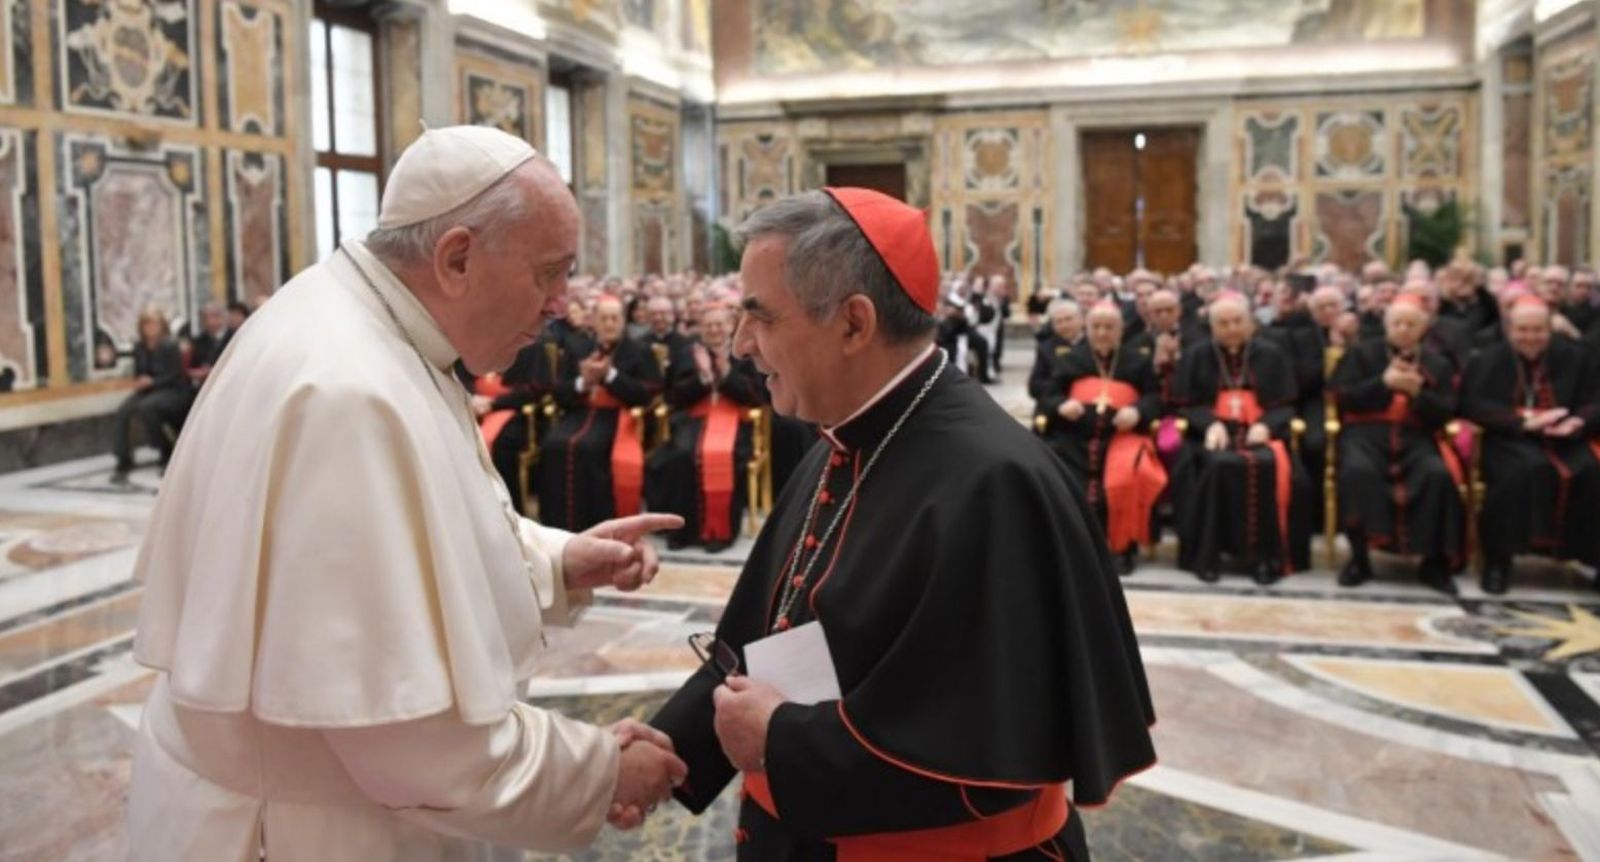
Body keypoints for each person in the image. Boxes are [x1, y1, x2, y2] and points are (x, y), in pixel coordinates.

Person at [126, 126, 688, 860]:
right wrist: (601, 770)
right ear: (456, 257)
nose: (561, 304)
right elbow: (411, 743)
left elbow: (426, 519)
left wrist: (555, 560)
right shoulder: (347, 391)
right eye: (549, 272)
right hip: (308, 830)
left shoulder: (365, 322)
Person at [650, 188, 1154, 861]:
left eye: (760, 317)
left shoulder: (994, 486)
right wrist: (665, 751)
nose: (742, 344)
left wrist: (779, 741)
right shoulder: (847, 434)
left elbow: (975, 749)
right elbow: (768, 634)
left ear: (854, 324)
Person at [1460, 296, 1600, 594]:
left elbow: (1594, 400)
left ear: (1550, 330)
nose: (1531, 337)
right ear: (1510, 330)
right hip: (1509, 439)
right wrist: (1521, 422)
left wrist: (1579, 422)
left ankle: (1591, 558)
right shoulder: (1487, 359)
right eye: (1523, 330)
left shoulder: (1576, 357)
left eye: (1538, 330)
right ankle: (1498, 562)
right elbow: (1471, 404)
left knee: (1591, 472)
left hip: (1565, 439)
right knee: (1521, 473)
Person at [1172, 292, 1312, 584]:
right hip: (1212, 437)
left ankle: (1266, 559)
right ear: (1212, 327)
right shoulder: (1197, 355)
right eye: (1223, 323)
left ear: (1250, 323)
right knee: (1215, 466)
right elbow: (1185, 403)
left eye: (1237, 321)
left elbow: (1285, 404)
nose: (1231, 328)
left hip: (1260, 433)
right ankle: (1207, 556)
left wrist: (1267, 425)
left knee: (1270, 467)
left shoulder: (1271, 354)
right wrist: (1209, 424)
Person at [1329, 296, 1464, 594]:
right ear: (1386, 325)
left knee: (1436, 475)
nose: (1403, 329)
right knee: (1357, 473)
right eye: (1397, 323)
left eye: (1411, 324)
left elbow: (1446, 411)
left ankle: (1433, 564)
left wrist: (1418, 394)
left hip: (1416, 436)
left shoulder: (1437, 364)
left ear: (1424, 328)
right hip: (1365, 434)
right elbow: (1343, 396)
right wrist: (1383, 384)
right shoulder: (1361, 354)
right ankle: (1359, 559)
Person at [1038, 302, 1166, 575]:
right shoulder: (1071, 358)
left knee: (1127, 479)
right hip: (1074, 438)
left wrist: (1138, 411)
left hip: (1122, 438)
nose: (1102, 332)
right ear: (1087, 328)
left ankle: (1122, 549)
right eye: (1096, 326)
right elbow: (1047, 395)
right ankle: (1071, 549)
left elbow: (1155, 397)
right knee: (1062, 480)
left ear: (1121, 330)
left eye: (1109, 327)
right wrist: (1061, 405)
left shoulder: (1138, 360)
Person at [535, 295, 662, 531]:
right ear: (593, 321)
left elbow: (647, 394)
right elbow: (560, 392)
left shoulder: (640, 350)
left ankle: (595, 524)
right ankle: (555, 525)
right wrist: (584, 381)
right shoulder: (577, 347)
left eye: (614, 318)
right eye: (604, 319)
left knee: (587, 447)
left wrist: (610, 375)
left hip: (617, 416)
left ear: (623, 321)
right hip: (579, 413)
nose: (610, 324)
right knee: (553, 444)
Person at [645, 304, 764, 552]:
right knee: (679, 457)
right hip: (694, 420)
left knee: (722, 456)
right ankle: (682, 532)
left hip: (734, 422)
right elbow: (673, 396)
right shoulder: (687, 353)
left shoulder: (745, 353)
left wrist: (727, 373)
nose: (714, 330)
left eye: (720, 324)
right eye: (709, 325)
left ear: (731, 326)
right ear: (701, 328)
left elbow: (757, 396)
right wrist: (703, 379)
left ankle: (719, 533)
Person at [110, 307, 189, 482]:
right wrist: (140, 382)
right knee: (123, 410)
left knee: (148, 407)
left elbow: (175, 374)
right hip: (148, 390)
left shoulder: (170, 345)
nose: (151, 328)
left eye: (154, 324)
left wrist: (153, 382)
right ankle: (123, 456)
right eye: (147, 324)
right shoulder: (139, 347)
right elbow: (139, 372)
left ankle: (165, 448)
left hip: (172, 390)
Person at [1027, 298, 1083, 401]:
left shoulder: (1093, 344)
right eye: (1059, 322)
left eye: (1068, 319)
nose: (1064, 325)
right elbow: (1034, 387)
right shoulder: (1046, 348)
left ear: (1081, 319)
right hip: (1055, 404)